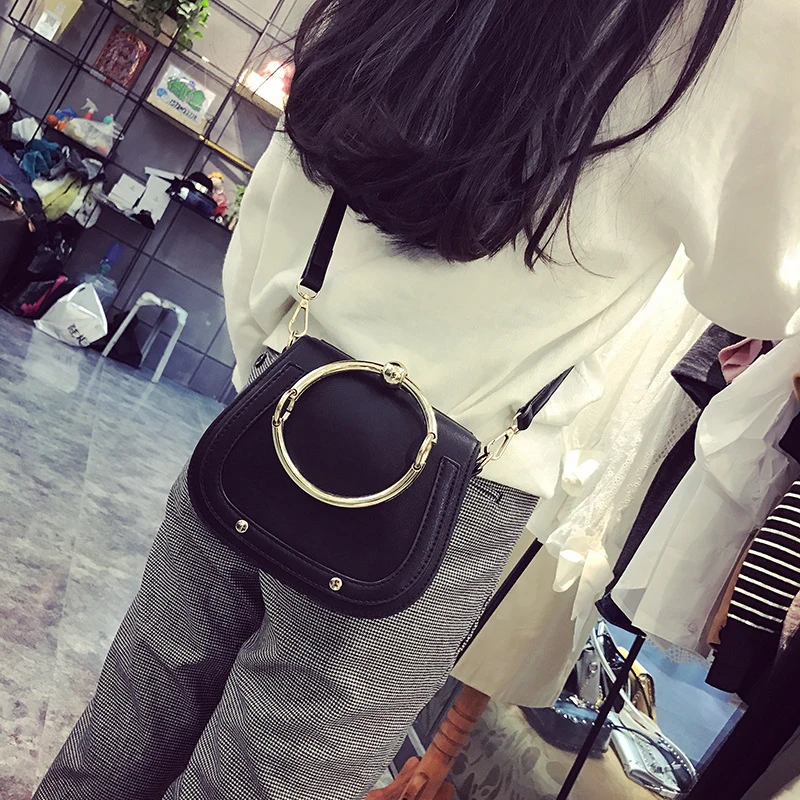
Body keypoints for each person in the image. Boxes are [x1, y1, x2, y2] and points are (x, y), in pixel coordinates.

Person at [34, 0, 800, 798]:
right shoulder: (753, 25)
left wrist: (262, 352)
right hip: (466, 471)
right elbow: (757, 289)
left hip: (283, 392)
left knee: (128, 722)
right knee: (268, 783)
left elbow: (299, 148)